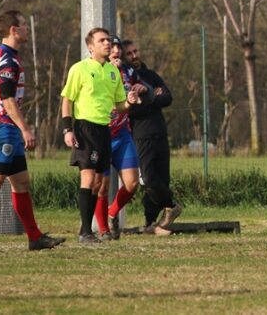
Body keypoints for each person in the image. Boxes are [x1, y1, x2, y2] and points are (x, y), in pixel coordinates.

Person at [0, 10, 64, 251]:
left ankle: (35, 238)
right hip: (2, 127)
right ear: (14, 30)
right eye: (24, 25)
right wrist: (25, 129)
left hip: (5, 127)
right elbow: (7, 99)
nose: (27, 29)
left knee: (21, 182)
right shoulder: (6, 60)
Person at [61, 27, 136, 244]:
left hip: (104, 130)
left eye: (108, 40)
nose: (107, 43)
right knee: (88, 178)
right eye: (102, 40)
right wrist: (67, 129)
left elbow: (119, 105)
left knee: (98, 182)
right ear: (90, 47)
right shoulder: (80, 69)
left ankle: (87, 230)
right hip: (85, 128)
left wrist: (129, 102)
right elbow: (67, 99)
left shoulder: (113, 72)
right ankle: (86, 232)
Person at [124, 39, 182, 234]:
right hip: (141, 135)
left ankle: (151, 223)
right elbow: (130, 110)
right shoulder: (125, 80)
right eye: (129, 53)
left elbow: (167, 97)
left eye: (136, 51)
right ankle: (171, 204)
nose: (134, 56)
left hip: (160, 132)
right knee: (148, 179)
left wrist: (146, 98)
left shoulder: (150, 75)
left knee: (162, 178)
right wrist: (152, 96)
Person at [93, 36, 142, 240]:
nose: (115, 51)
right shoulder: (95, 71)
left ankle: (112, 213)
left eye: (118, 47)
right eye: (111, 48)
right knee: (101, 186)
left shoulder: (128, 72)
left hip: (122, 134)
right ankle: (103, 230)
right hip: (101, 134)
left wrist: (141, 88)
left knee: (132, 183)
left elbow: (141, 84)